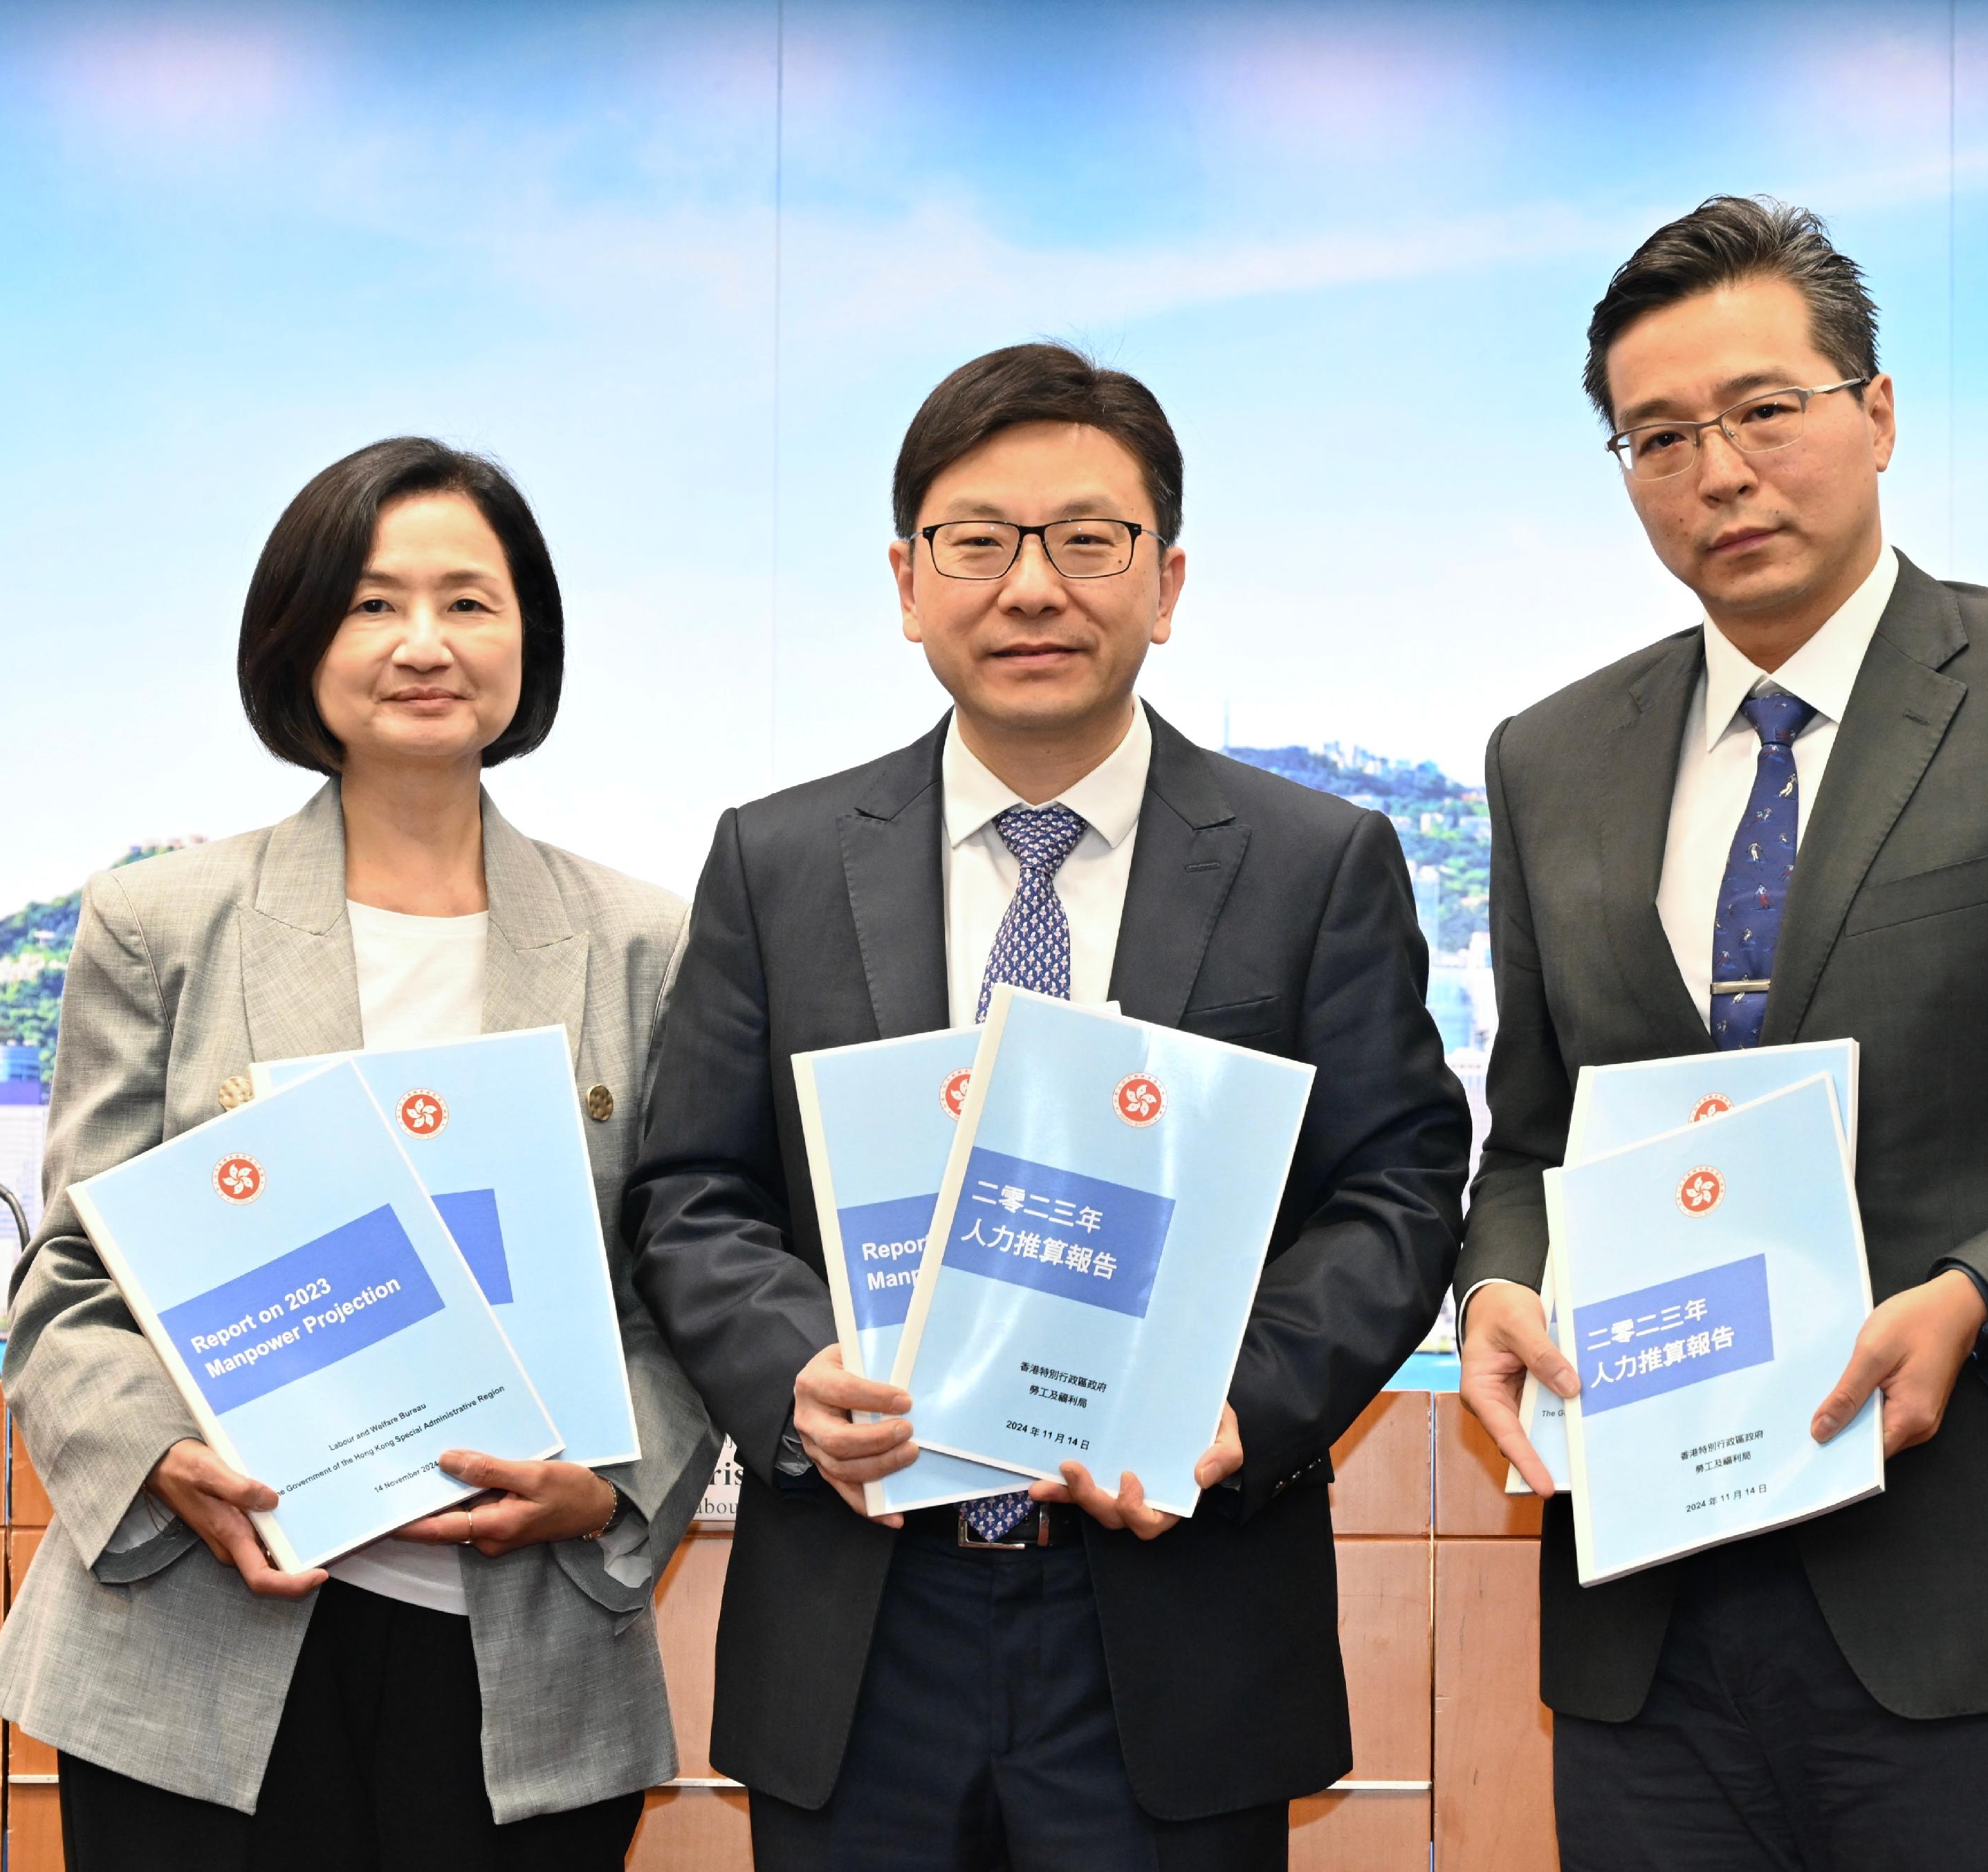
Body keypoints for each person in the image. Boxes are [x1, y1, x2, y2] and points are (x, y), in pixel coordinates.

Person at [1454, 197, 1988, 1871]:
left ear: (1876, 413)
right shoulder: (1547, 758)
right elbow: (1533, 1136)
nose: (1719, 469)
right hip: (1652, 1616)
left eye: (1765, 409)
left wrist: (1983, 1297)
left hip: (1975, 1596)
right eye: (1658, 436)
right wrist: (1493, 1279)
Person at [625, 342, 1470, 1870]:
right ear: (905, 579)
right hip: (865, 1616)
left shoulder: (1309, 861)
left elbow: (1398, 1184)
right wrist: (794, 1373)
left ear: (1166, 580)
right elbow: (690, 1188)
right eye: (978, 541)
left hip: (1173, 1613)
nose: (1032, 587)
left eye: (1088, 539)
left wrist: (1234, 1411)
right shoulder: (779, 860)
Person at [0, 437, 722, 1869]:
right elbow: (72, 1280)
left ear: (529, 640)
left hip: (524, 1658)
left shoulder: (642, 940)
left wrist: (613, 1486)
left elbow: (681, 1278)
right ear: (298, 640)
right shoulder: (162, 922)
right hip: (199, 1640)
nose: (423, 643)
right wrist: (161, 1456)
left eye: (469, 600)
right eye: (373, 603)